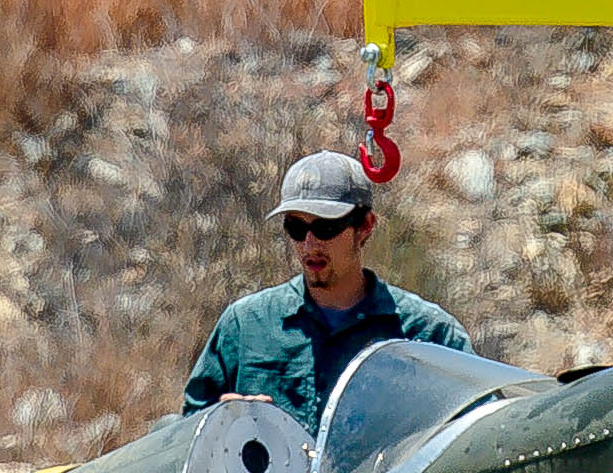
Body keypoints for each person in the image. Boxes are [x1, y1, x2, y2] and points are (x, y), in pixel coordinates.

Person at [183, 151, 471, 435]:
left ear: (365, 227)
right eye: (296, 228)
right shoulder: (246, 325)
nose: (310, 245)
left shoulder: (428, 333)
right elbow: (188, 431)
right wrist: (221, 419)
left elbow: (478, 429)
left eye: (326, 227)